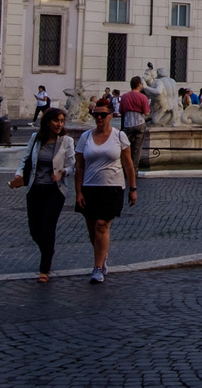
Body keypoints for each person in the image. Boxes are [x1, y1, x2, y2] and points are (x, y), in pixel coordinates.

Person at [72, 99, 136, 283]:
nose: (99, 118)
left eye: (102, 115)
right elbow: (79, 166)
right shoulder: (85, 137)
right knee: (92, 228)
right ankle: (102, 255)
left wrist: (133, 188)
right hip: (89, 186)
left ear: (111, 116)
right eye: (96, 114)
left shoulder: (119, 136)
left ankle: (97, 267)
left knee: (101, 224)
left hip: (113, 187)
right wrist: (78, 192)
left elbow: (128, 164)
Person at [10, 107, 74, 283]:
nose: (59, 124)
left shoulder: (66, 141)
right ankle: (48, 249)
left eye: (62, 121)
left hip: (55, 189)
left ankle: (44, 269)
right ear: (47, 122)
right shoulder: (35, 139)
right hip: (35, 187)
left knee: (48, 226)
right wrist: (18, 174)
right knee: (34, 229)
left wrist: (62, 172)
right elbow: (25, 160)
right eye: (56, 121)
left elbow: (72, 165)